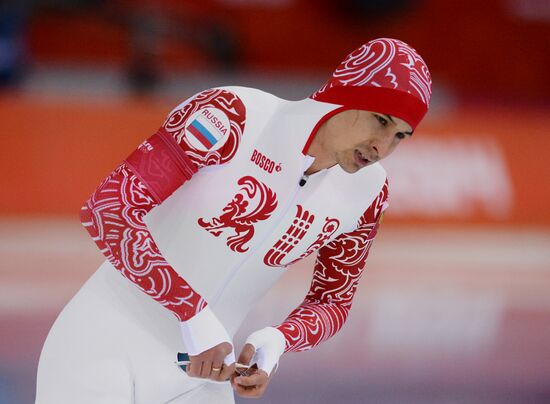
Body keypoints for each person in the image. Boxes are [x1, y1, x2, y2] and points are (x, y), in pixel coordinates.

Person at [36, 37, 432, 403]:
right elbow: (111, 208)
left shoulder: (367, 193)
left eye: (401, 136)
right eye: (381, 121)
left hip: (199, 379)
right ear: (345, 98)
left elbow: (333, 300)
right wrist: (190, 311)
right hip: (103, 346)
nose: (383, 147)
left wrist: (279, 339)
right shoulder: (234, 116)